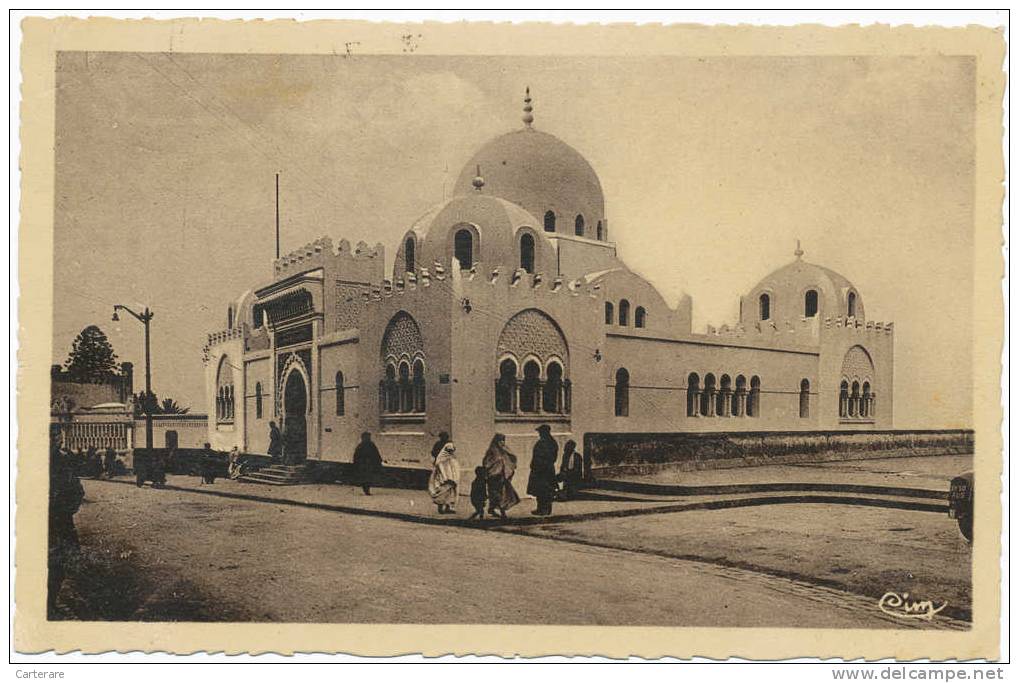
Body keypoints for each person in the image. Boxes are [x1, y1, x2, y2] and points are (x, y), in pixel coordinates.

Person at [48, 427, 84, 616]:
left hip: (61, 520)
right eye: (56, 438)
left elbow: (77, 489)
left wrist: (69, 508)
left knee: (60, 563)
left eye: (59, 438)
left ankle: (51, 601)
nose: (59, 442)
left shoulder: (63, 460)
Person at [482, 433, 521, 519]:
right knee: (496, 494)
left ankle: (492, 509)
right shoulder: (492, 450)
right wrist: (490, 468)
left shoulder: (504, 450)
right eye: (500, 440)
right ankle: (502, 512)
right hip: (493, 475)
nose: (502, 442)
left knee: (501, 493)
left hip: (502, 475)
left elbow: (512, 457)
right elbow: (486, 462)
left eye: (503, 440)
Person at [527, 424, 559, 516]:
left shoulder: (545, 442)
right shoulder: (551, 442)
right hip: (546, 469)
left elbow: (542, 457)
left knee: (543, 491)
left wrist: (537, 466)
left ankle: (544, 509)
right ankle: (543, 509)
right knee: (543, 490)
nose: (539, 434)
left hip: (542, 471)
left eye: (540, 432)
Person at [428, 441, 460, 514]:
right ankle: (441, 508)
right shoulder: (440, 459)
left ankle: (448, 508)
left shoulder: (452, 459)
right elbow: (440, 470)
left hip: (452, 480)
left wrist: (454, 478)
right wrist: (445, 478)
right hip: (443, 480)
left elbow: (455, 469)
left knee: (450, 494)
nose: (450, 452)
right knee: (443, 493)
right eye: (449, 450)